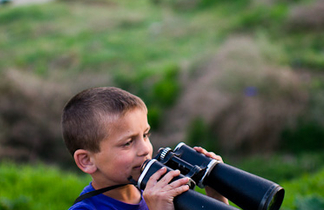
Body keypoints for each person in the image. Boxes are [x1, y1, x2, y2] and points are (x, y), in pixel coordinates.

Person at [62, 87, 229, 210]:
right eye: (127, 143)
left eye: (145, 135)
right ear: (87, 160)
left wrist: (216, 194)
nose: (145, 149)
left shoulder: (161, 190)